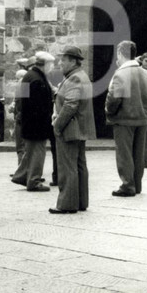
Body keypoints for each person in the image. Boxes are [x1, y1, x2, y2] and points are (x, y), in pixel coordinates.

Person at [49, 46, 96, 214]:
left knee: (67, 166)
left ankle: (66, 204)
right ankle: (81, 201)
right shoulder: (79, 76)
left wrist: (58, 125)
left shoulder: (75, 78)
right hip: (79, 128)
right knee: (79, 165)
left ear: (73, 61)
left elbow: (71, 105)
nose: (60, 63)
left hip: (70, 128)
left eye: (63, 60)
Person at [106, 40, 147, 197]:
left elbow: (114, 99)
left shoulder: (120, 74)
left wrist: (109, 112)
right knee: (138, 154)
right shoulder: (146, 74)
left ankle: (127, 185)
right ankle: (137, 184)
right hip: (142, 118)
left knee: (124, 153)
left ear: (120, 53)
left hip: (124, 119)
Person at [10, 51, 54, 192]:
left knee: (30, 152)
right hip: (37, 124)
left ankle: (21, 176)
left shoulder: (29, 76)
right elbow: (38, 105)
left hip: (29, 122)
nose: (52, 67)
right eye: (51, 64)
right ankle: (34, 181)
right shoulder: (38, 80)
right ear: (45, 65)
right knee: (38, 153)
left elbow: (24, 103)